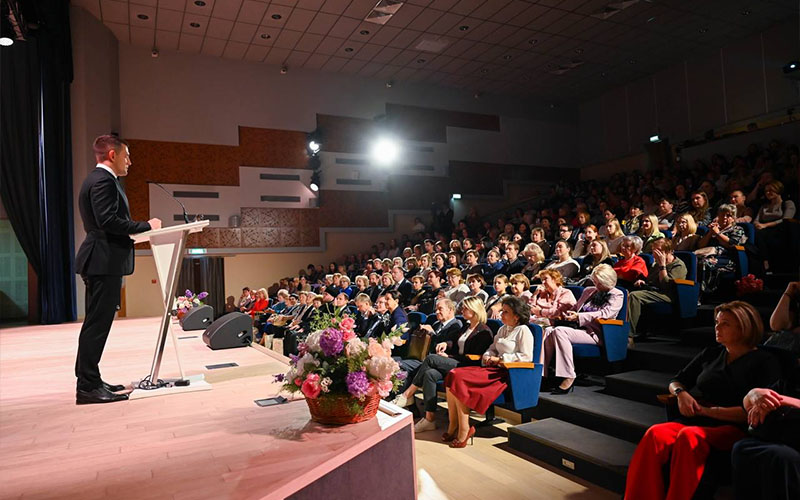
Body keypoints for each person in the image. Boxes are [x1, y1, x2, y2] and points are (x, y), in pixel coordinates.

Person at [624, 302, 781, 500]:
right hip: (700, 418)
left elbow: (755, 412)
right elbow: (676, 380)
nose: (717, 328)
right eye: (717, 322)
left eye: (725, 324)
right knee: (656, 433)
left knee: (689, 436)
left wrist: (709, 412)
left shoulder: (764, 361)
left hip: (734, 426)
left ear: (744, 327)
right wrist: (681, 393)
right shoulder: (712, 353)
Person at [74, 135, 161, 404]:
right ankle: (87, 386)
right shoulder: (103, 181)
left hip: (103, 260)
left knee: (96, 324)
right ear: (112, 155)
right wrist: (146, 226)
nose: (130, 162)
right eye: (127, 156)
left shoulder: (99, 180)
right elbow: (109, 221)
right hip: (102, 261)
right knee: (96, 326)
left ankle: (91, 379)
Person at [444, 296, 533, 448]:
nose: (501, 315)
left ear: (516, 316)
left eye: (506, 312)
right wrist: (487, 356)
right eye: (502, 311)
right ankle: (453, 424)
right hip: (491, 368)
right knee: (452, 374)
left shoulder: (523, 330)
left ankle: (464, 428)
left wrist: (501, 359)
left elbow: (526, 357)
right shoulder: (502, 328)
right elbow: (491, 348)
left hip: (505, 374)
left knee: (459, 377)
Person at [542, 264, 624, 394]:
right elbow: (576, 308)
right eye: (595, 282)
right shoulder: (588, 291)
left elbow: (606, 314)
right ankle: (544, 375)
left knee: (559, 331)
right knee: (548, 330)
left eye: (599, 283)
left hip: (597, 333)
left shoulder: (617, 294)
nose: (596, 286)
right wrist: (569, 314)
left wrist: (579, 316)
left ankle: (569, 376)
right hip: (579, 328)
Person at [392, 299, 469, 430]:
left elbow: (448, 345)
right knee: (412, 369)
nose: (437, 312)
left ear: (451, 310)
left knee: (402, 365)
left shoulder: (456, 325)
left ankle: (406, 398)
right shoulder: (437, 323)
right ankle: (419, 411)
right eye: (436, 309)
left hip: (439, 361)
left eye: (441, 309)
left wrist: (432, 333)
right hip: (427, 359)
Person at [731, 387, 800, 500]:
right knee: (743, 448)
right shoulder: (792, 377)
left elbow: (770, 397)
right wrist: (753, 394)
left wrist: (776, 401)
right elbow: (748, 404)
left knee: (780, 456)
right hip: (776, 435)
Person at [627, 239, 688, 339]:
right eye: (653, 250)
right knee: (627, 293)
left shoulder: (678, 265)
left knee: (635, 296)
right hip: (654, 292)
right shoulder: (655, 264)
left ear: (668, 251)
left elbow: (666, 285)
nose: (655, 253)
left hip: (668, 295)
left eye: (659, 250)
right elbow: (650, 281)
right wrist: (643, 282)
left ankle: (629, 334)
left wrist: (662, 266)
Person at [695, 204, 747, 294]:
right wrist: (710, 232)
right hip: (708, 255)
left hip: (727, 259)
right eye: (722, 215)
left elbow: (731, 244)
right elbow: (700, 245)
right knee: (693, 260)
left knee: (705, 262)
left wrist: (718, 234)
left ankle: (703, 293)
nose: (725, 218)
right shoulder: (712, 229)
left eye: (729, 215)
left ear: (734, 218)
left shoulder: (737, 229)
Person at [754, 181, 796, 272]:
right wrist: (758, 225)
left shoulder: (788, 203)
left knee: (761, 234)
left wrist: (765, 225)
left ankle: (765, 260)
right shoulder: (764, 206)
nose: (767, 193)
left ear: (778, 190)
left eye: (770, 190)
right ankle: (764, 261)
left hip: (780, 230)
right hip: (763, 230)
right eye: (766, 191)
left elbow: (785, 219)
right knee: (756, 233)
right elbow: (756, 220)